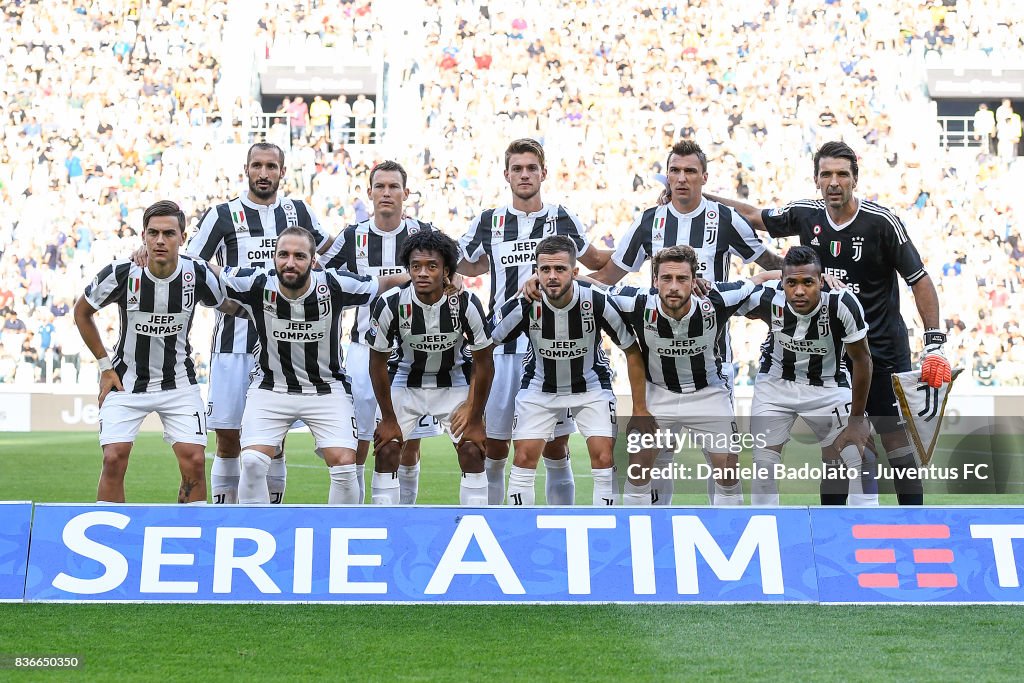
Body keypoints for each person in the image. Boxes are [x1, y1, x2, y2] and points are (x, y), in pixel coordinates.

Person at [707, 140, 950, 505]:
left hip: (880, 347)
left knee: (893, 437)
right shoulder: (806, 215)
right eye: (826, 175)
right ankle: (831, 529)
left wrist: (935, 343)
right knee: (837, 448)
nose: (834, 182)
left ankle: (911, 522)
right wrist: (704, 196)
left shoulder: (881, 222)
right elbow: (757, 217)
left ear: (855, 178)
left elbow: (919, 278)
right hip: (832, 355)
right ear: (816, 179)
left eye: (842, 174)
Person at [583, 139, 782, 505]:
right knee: (652, 461)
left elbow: (770, 266)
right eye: (675, 170)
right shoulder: (649, 221)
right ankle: (652, 535)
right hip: (658, 369)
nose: (682, 178)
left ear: (704, 177)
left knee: (724, 464)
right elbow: (610, 276)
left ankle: (725, 532)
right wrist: (561, 281)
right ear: (667, 176)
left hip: (711, 364)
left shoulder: (724, 219)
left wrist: (815, 276)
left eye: (690, 171)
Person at [458, 138, 612, 505]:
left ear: (544, 172)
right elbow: (462, 263)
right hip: (503, 348)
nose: (524, 174)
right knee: (494, 445)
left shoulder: (563, 217)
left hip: (552, 350)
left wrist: (647, 251)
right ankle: (497, 525)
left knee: (555, 446)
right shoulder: (488, 221)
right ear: (506, 174)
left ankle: (560, 528)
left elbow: (595, 262)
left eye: (531, 168)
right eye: (517, 168)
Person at [184, 142, 337, 505]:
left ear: (283, 172)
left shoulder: (298, 210)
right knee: (228, 437)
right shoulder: (222, 214)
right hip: (233, 342)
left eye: (271, 166)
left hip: (286, 345)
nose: (264, 173)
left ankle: (272, 518)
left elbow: (333, 253)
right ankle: (227, 516)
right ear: (246, 169)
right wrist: (221, 302)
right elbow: (191, 266)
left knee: (276, 440)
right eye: (257, 166)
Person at [215, 227, 409, 504]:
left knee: (344, 465)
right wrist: (154, 256)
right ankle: (255, 529)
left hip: (327, 389)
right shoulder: (258, 283)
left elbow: (383, 283)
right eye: (283, 255)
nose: (290, 263)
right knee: (253, 461)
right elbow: (209, 271)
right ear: (273, 258)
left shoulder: (334, 284)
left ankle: (340, 535)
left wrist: (433, 275)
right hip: (271, 388)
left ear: (314, 260)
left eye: (299, 256)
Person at [73, 200, 224, 504]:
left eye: (169, 233)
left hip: (179, 383)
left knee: (194, 461)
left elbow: (230, 304)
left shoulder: (197, 274)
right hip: (126, 381)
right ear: (143, 235)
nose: (159, 240)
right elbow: (81, 312)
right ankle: (108, 534)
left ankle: (192, 537)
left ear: (183, 237)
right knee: (114, 458)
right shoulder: (122, 273)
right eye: (153, 233)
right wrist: (105, 366)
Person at [609, 245, 776, 505]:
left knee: (728, 472)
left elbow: (758, 280)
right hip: (658, 392)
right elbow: (589, 287)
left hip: (708, 393)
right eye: (666, 278)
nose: (673, 286)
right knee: (639, 468)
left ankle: (729, 533)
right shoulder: (637, 301)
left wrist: (821, 278)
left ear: (694, 279)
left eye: (682, 278)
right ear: (655, 281)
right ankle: (641, 534)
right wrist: (538, 280)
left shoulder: (717, 298)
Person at [489, 235, 648, 506]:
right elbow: (489, 339)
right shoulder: (526, 304)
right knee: (524, 458)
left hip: (591, 387)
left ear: (575, 272)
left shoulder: (597, 301)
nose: (552, 276)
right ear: (535, 272)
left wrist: (640, 409)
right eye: (545, 269)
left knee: (604, 457)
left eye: (560, 269)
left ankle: (605, 526)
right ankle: (519, 531)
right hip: (539, 386)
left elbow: (632, 350)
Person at [319, 160, 444, 503]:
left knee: (408, 442)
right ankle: (359, 519)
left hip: (413, 353)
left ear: (406, 193)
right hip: (362, 351)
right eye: (380, 186)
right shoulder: (350, 236)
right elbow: (320, 281)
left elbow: (451, 279)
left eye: (394, 187)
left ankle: (402, 517)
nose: (387, 193)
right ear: (370, 192)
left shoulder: (424, 234)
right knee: (359, 441)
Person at [738, 247, 874, 506]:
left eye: (808, 282)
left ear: (821, 281)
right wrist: (758, 279)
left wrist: (857, 421)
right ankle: (769, 531)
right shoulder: (768, 298)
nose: (799, 291)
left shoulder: (841, 302)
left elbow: (862, 360)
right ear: (783, 283)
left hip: (829, 387)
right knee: (763, 466)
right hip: (775, 386)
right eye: (791, 283)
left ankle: (864, 529)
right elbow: (723, 299)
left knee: (862, 455)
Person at [368, 230, 494, 505]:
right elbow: (376, 363)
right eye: (416, 266)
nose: (422, 273)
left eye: (431, 266)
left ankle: (475, 522)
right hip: (404, 382)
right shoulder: (391, 303)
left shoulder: (465, 303)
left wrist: (474, 417)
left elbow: (484, 363)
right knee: (386, 449)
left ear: (446, 270)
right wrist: (389, 419)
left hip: (453, 384)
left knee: (473, 449)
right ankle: (386, 524)